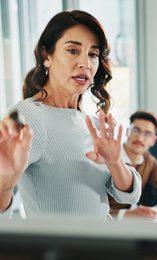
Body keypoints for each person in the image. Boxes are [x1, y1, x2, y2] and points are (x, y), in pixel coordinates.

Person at [0, 10, 141, 219]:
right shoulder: (24, 115)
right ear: (46, 56)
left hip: (102, 247)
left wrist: (115, 162)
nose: (85, 63)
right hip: (62, 251)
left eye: (93, 54)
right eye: (73, 51)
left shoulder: (90, 122)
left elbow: (131, 196)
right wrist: (4, 186)